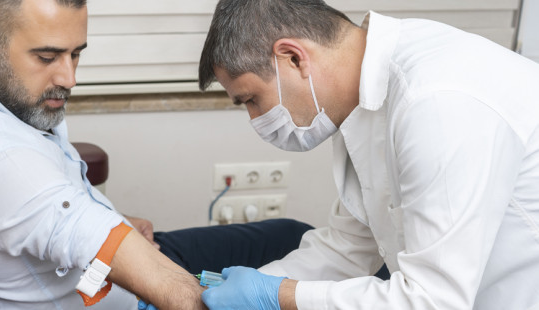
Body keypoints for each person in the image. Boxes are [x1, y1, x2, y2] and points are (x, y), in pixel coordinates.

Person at [0, 0, 313, 309]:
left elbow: (31, 209)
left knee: (294, 238)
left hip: (90, 266)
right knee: (298, 256)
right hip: (120, 299)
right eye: (47, 57)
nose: (69, 78)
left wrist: (112, 219)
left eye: (76, 54)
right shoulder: (3, 166)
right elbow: (176, 296)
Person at [197, 0, 539, 309]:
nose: (256, 120)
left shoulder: (435, 102)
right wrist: (238, 290)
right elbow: (348, 247)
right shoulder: (362, 106)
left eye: (252, 99)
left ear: (294, 57)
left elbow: (433, 301)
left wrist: (276, 295)